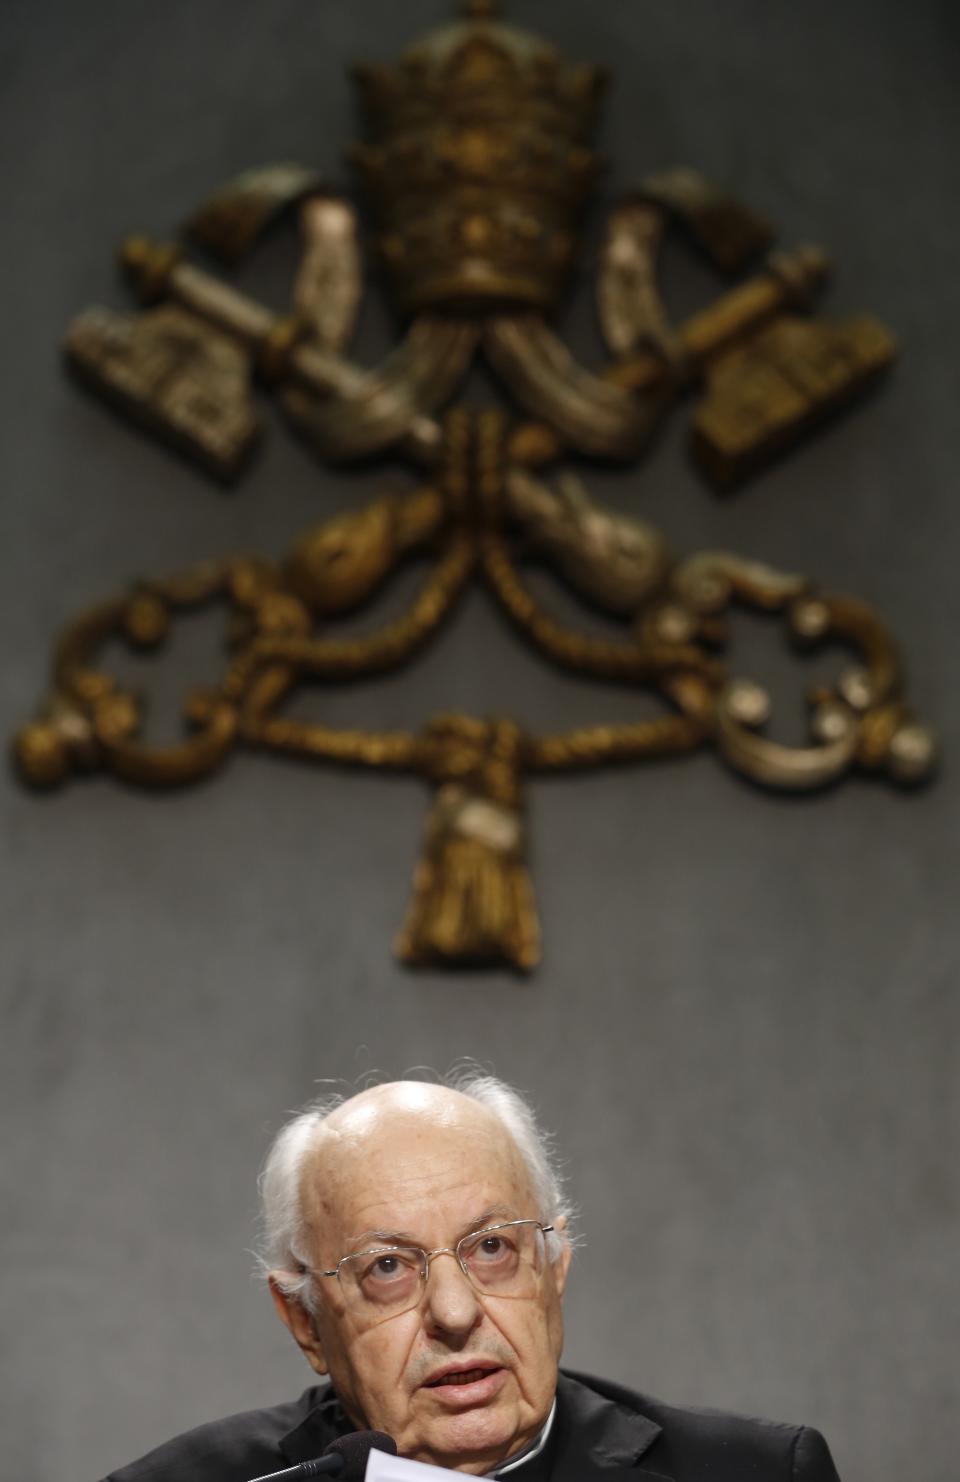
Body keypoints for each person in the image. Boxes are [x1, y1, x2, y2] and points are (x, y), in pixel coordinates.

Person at [101, 1072, 841, 1481]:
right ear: (304, 1322)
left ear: (555, 1271)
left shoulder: (762, 1476)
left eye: (492, 1249)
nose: (455, 1313)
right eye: (387, 1267)